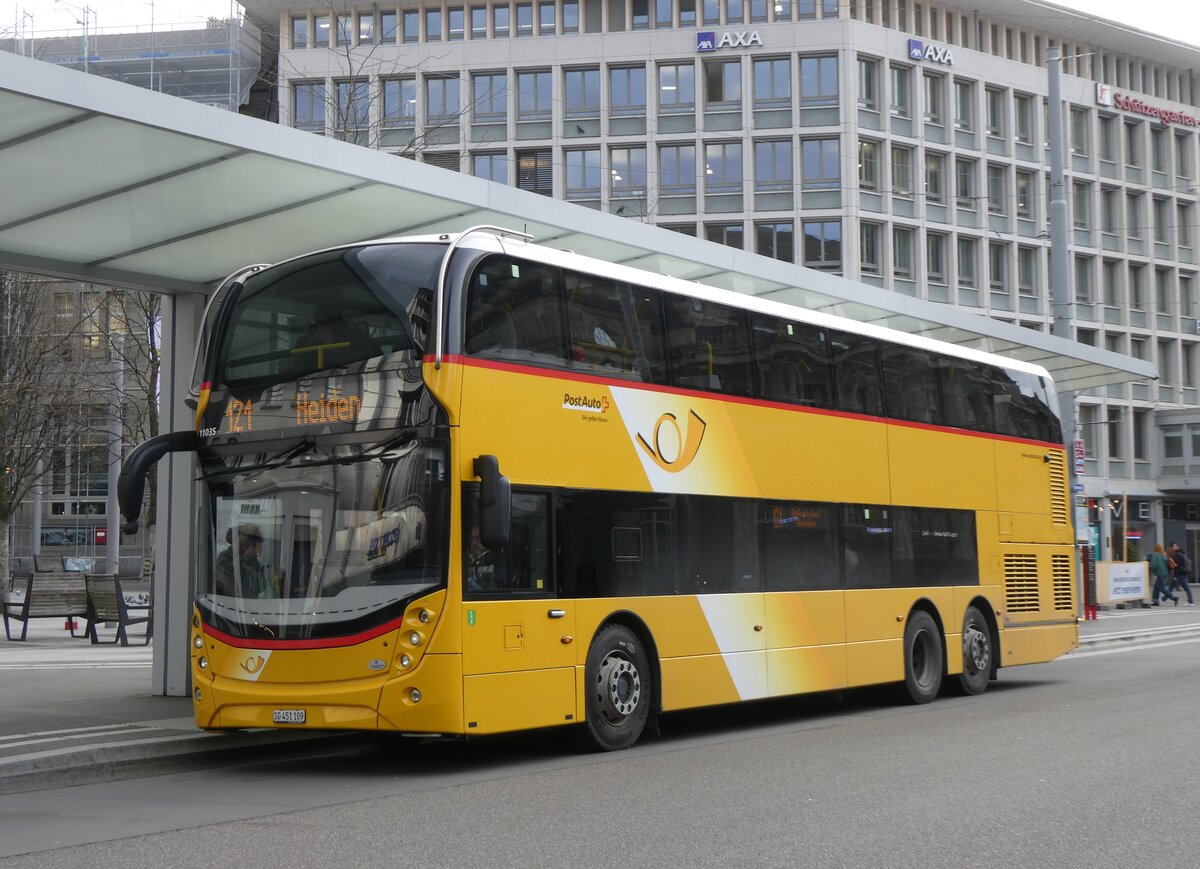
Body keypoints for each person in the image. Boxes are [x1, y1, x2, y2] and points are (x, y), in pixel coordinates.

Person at [214, 524, 275, 599]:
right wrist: (244, 558)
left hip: (250, 605)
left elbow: (260, 588)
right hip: (230, 603)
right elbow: (223, 576)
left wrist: (265, 571)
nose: (257, 550)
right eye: (254, 546)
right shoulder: (225, 556)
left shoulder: (253, 561)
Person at [466, 525, 497, 590]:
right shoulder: (468, 559)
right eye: (472, 538)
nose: (474, 542)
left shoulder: (495, 561)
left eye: (478, 538)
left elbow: (489, 590)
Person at [1169, 542, 1195, 606]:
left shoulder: (1177, 555)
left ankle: (1191, 602)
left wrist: (1175, 576)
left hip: (1180, 574)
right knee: (1173, 586)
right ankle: (1190, 601)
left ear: (1178, 547)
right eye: (1173, 546)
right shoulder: (1182, 554)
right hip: (1183, 573)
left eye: (1174, 546)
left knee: (1184, 587)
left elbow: (1176, 566)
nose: (1173, 547)